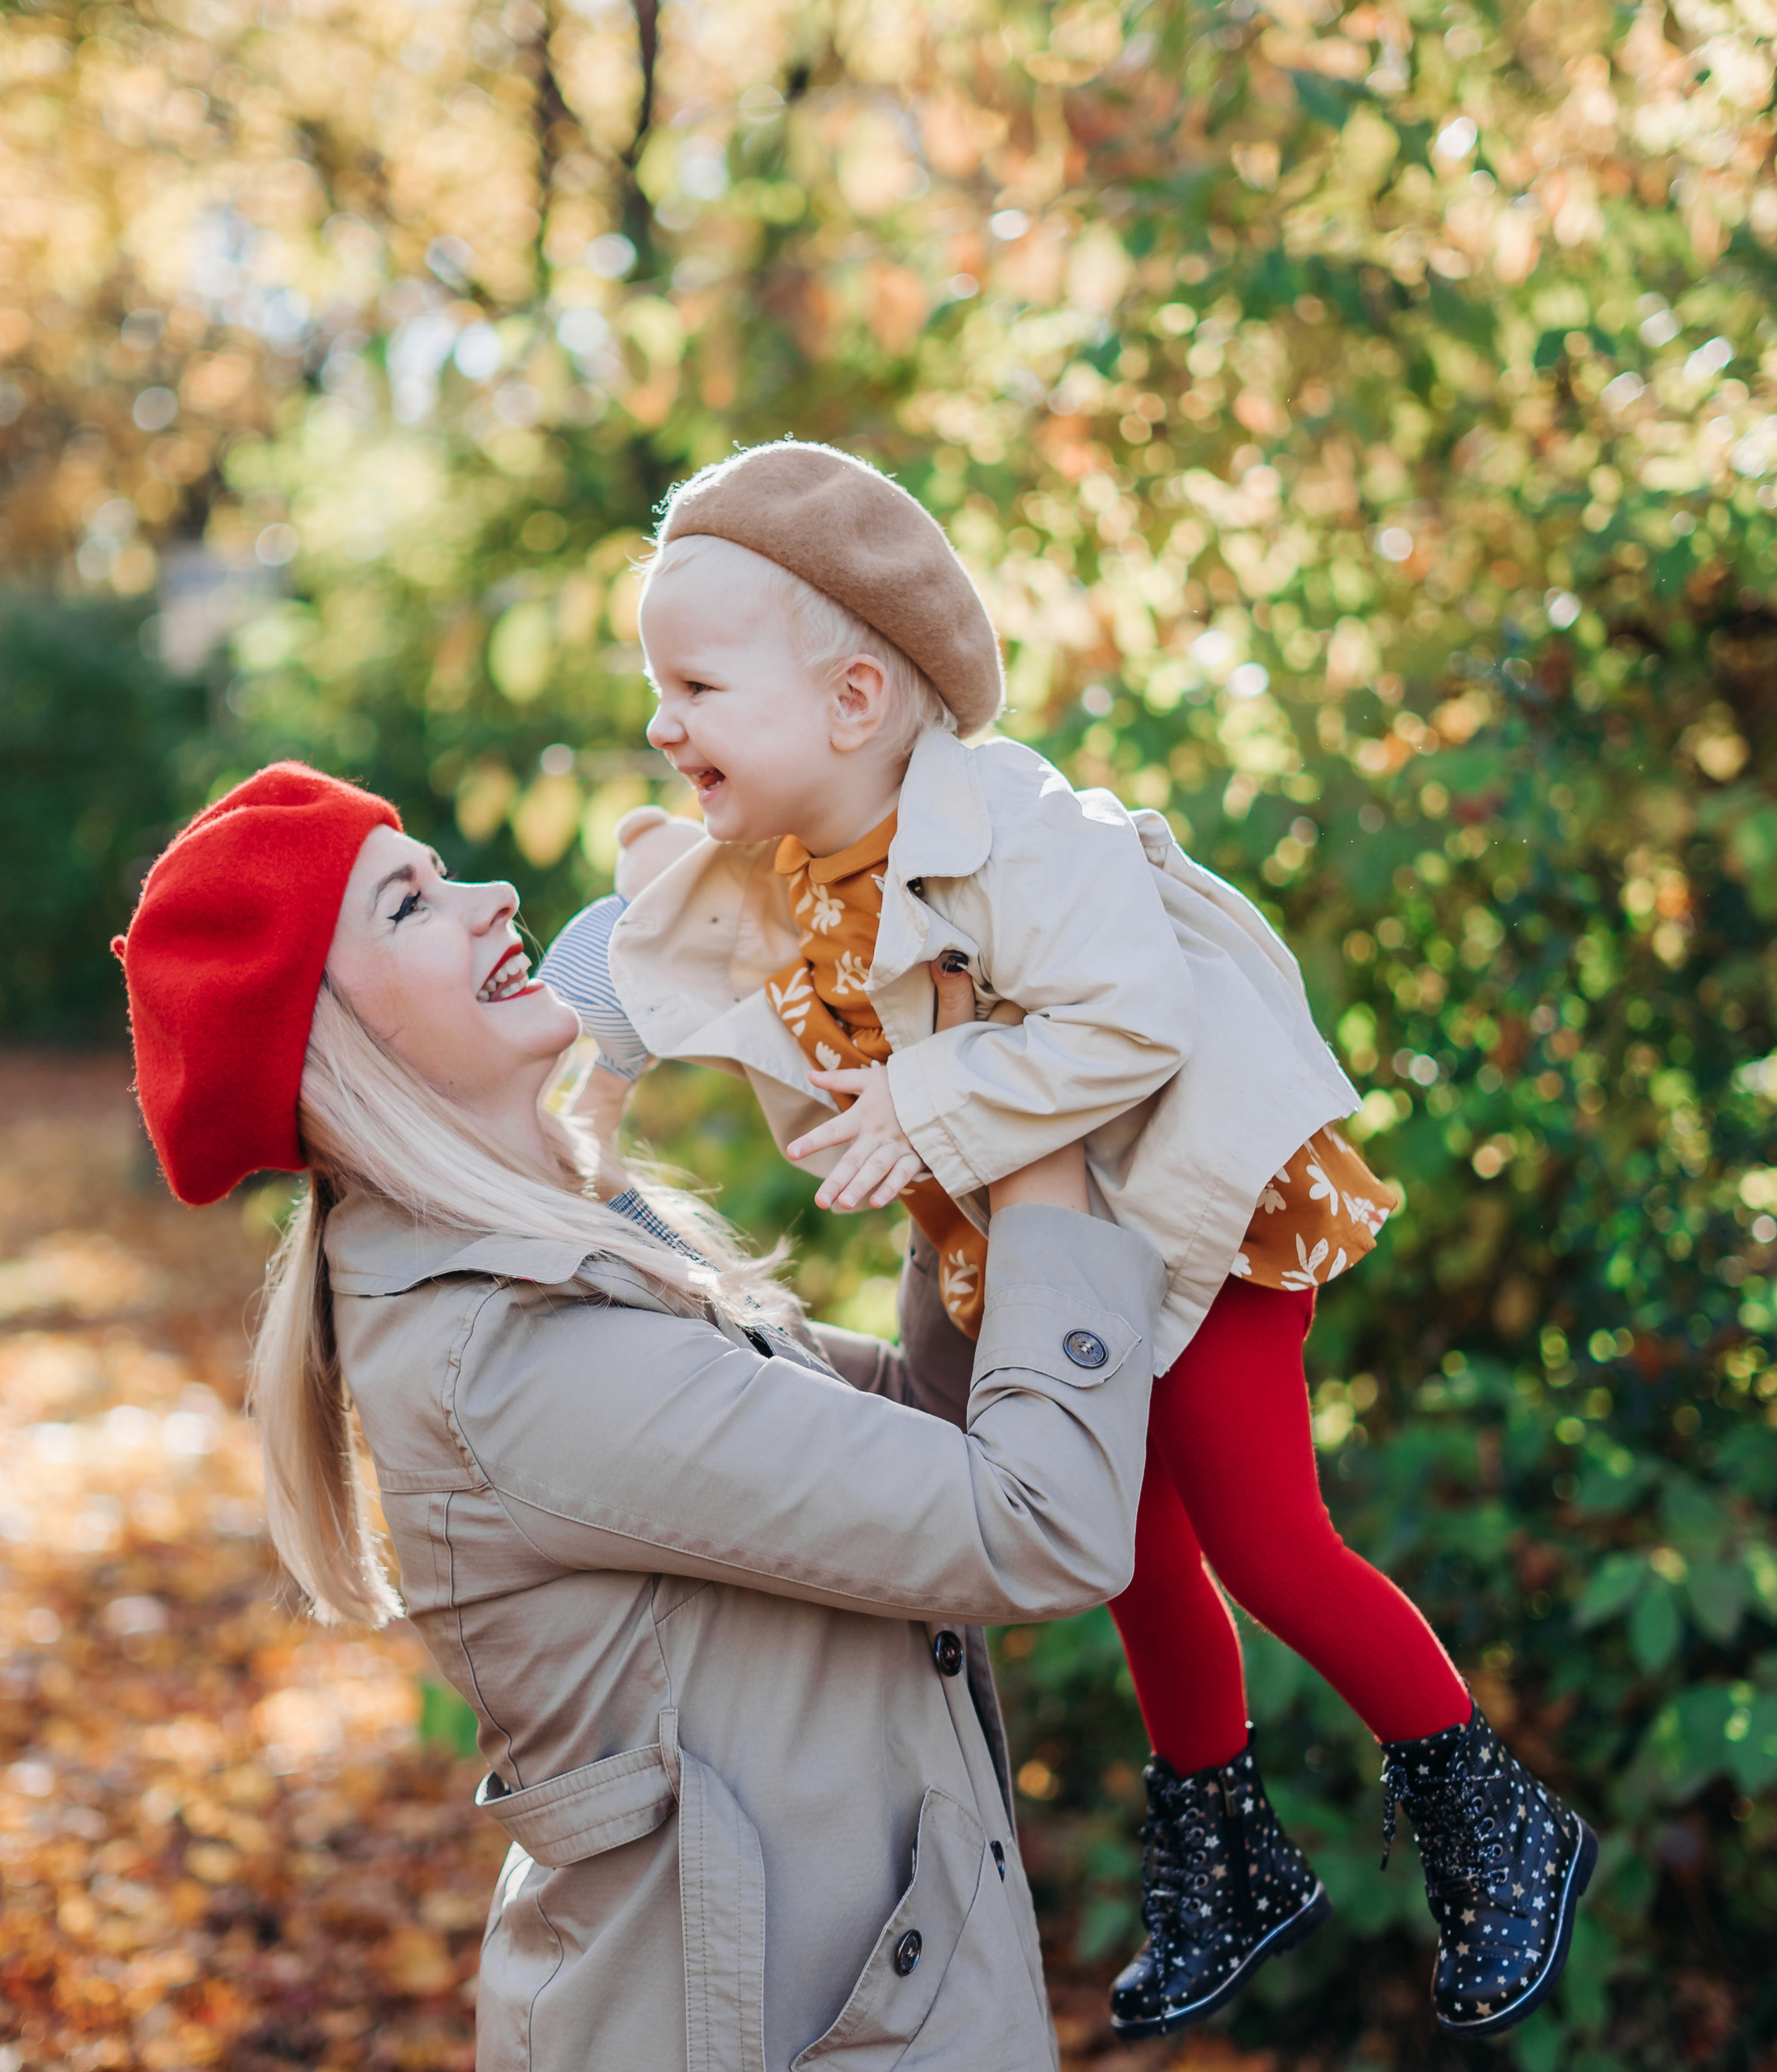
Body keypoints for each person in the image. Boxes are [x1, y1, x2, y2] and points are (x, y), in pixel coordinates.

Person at [542, 440, 1594, 2041]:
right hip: (1050, 1250)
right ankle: (1224, 1847)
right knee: (1119, 1549)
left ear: (849, 702)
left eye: (691, 681)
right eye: (651, 683)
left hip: (1193, 1201)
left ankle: (1485, 1804)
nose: (656, 721)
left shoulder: (1013, 819)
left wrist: (931, 1095)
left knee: (1262, 1534)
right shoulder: (768, 855)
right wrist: (586, 1085)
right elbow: (637, 942)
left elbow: (1133, 1013)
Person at [112, 760, 1170, 2072]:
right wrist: (1032, 1120)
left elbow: (920, 1431)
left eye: (444, 873)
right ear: (328, 1042)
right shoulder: (513, 1355)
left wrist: (949, 1121)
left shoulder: (577, 1244)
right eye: (407, 905)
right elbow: (1032, 1524)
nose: (494, 897)